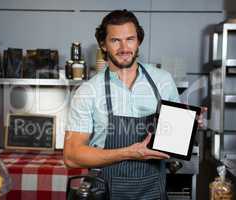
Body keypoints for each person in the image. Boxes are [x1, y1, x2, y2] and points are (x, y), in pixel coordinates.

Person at [64, 9, 206, 200]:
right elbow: (72, 156)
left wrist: (189, 127)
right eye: (115, 40)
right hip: (106, 192)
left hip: (154, 192)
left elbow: (173, 141)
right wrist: (129, 153)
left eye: (130, 39)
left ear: (138, 41)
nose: (124, 48)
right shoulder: (88, 91)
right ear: (103, 45)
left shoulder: (162, 81)